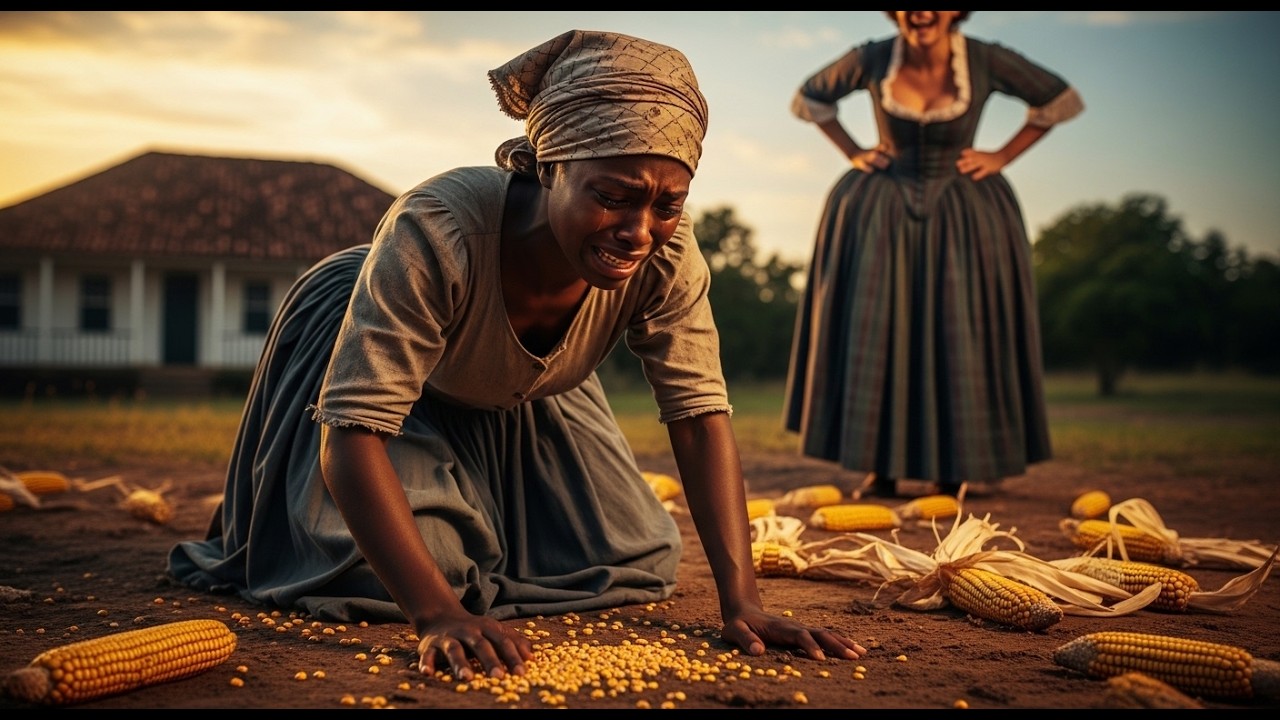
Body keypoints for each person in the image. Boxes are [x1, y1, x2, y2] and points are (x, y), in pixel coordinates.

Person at [169, 29, 866, 681]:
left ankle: (471, 516)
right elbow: (350, 435)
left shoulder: (664, 255)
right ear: (549, 165)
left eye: (667, 204)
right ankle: (406, 535)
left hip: (532, 383)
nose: (638, 231)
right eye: (613, 197)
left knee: (639, 555)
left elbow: (700, 417)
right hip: (375, 355)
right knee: (391, 576)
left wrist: (742, 602)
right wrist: (436, 613)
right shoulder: (438, 231)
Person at [783, 12, 1082, 498]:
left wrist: (1001, 156)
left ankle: (954, 468)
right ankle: (881, 467)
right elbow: (811, 97)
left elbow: (1057, 99)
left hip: (963, 213)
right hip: (881, 208)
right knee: (879, 330)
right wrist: (853, 151)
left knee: (957, 332)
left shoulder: (984, 59)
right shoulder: (874, 57)